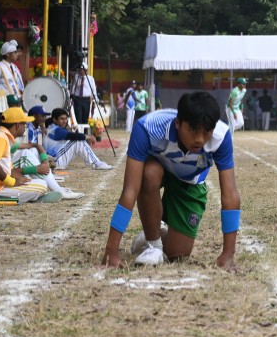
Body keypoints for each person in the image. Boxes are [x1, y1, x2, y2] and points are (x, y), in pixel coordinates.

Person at [101, 92, 240, 268]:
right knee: (149, 173)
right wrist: (111, 251)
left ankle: (154, 233)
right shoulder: (148, 128)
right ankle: (154, 246)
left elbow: (230, 194)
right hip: (159, 169)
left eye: (206, 132)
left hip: (190, 181)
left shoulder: (221, 136)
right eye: (193, 130)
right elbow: (130, 190)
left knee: (178, 254)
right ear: (178, 123)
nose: (199, 139)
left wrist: (228, 253)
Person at [0, 108, 58, 203]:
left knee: (38, 182)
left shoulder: (3, 137)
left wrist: (22, 179)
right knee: (42, 186)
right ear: (18, 125)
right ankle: (26, 198)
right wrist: (12, 182)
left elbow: (11, 170)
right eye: (24, 124)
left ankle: (32, 197)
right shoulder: (0, 138)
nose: (25, 127)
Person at [14, 106, 84, 199]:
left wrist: (45, 159)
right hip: (16, 168)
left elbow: (37, 146)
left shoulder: (37, 128)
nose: (45, 118)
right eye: (42, 116)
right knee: (29, 152)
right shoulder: (28, 129)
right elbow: (29, 147)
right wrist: (40, 164)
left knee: (42, 184)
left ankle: (56, 189)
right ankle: (59, 191)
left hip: (22, 165)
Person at [45, 108, 114, 170]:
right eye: (62, 119)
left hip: (53, 160)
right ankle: (97, 163)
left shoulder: (51, 128)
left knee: (76, 140)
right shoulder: (55, 130)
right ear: (54, 119)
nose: (65, 121)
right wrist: (90, 137)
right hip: (54, 162)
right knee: (78, 141)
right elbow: (76, 136)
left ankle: (95, 162)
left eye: (66, 119)